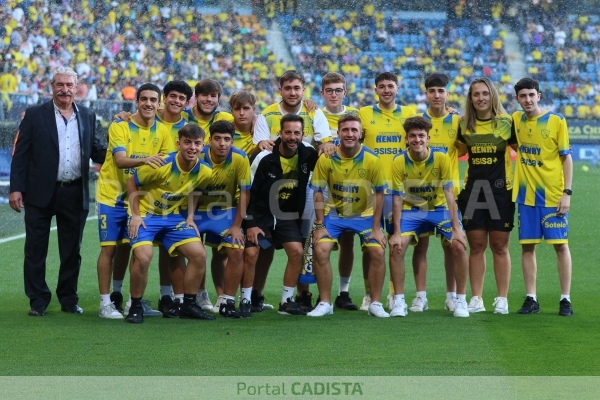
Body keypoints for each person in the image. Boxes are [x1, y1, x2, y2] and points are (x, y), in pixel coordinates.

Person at [9, 67, 106, 316]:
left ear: (77, 88)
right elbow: (21, 155)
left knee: (72, 250)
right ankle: (38, 301)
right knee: (35, 249)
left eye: (69, 85)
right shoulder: (33, 115)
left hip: (74, 192)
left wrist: (122, 142)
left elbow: (97, 151)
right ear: (51, 86)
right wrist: (16, 188)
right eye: (60, 85)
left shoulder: (87, 115)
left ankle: (68, 298)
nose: (65, 90)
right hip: (39, 192)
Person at [250, 70, 333, 311]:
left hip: (298, 200)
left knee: (302, 246)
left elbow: (325, 143)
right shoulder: (267, 116)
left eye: (297, 88)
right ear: (280, 89)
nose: (293, 92)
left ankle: (299, 296)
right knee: (262, 250)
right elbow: (262, 148)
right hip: (267, 204)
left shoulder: (312, 114)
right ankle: (254, 295)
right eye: (288, 88)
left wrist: (328, 146)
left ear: (303, 90)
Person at [95, 83, 173, 319]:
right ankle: (105, 303)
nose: (149, 103)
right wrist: (148, 160)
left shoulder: (163, 131)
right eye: (144, 99)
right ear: (136, 102)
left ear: (159, 104)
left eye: (153, 100)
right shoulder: (120, 124)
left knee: (135, 249)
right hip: (112, 195)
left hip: (139, 200)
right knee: (109, 249)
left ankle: (132, 302)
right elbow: (119, 160)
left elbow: (166, 164)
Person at [125, 124, 215, 323]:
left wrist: (190, 217)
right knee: (144, 257)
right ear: (178, 143)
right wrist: (136, 215)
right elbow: (132, 181)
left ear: (203, 146)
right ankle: (135, 306)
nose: (192, 147)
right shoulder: (161, 164)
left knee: (199, 254)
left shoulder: (205, 170)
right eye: (187, 143)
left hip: (173, 218)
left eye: (197, 143)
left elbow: (196, 190)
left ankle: (189, 305)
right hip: (147, 216)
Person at [388, 116, 470, 318]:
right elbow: (397, 199)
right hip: (411, 210)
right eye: (413, 136)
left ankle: (460, 299)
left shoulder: (441, 158)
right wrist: (396, 232)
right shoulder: (399, 161)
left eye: (421, 136)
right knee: (397, 248)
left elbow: (450, 193)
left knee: (458, 245)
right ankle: (399, 301)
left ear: (428, 138)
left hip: (439, 208)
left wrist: (456, 227)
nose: (417, 140)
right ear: (406, 139)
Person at [309, 114, 388, 317]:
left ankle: (375, 303)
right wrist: (319, 225)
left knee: (377, 251)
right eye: (345, 130)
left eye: (354, 130)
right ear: (338, 133)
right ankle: (325, 302)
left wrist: (377, 229)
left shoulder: (371, 158)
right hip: (334, 215)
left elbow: (380, 193)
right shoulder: (327, 158)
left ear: (361, 133)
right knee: (320, 249)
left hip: (365, 216)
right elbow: (317, 191)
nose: (350, 134)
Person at [244, 114, 318, 316]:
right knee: (256, 252)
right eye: (288, 132)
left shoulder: (308, 154)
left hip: (286, 215)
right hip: (260, 215)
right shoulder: (263, 157)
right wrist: (249, 223)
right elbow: (247, 193)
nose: (292, 137)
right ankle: (250, 299)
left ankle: (287, 300)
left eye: (297, 133)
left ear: (303, 134)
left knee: (297, 251)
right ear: (280, 134)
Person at [512, 77, 573, 316]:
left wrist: (567, 192)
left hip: (553, 197)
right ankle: (531, 298)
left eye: (531, 95)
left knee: (560, 246)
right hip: (526, 198)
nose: (527, 100)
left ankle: (565, 299)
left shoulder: (556, 121)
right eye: (522, 96)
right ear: (517, 99)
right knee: (527, 247)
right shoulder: (515, 120)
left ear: (539, 96)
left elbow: (566, 158)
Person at [456, 77, 516, 314]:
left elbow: (524, 151)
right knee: (477, 245)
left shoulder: (507, 123)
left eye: (484, 93)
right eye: (476, 94)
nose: (481, 98)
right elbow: (454, 150)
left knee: (500, 246)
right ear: (470, 98)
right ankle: (477, 298)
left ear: (492, 95)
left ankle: (502, 298)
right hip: (473, 192)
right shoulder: (462, 125)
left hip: (501, 191)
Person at [358, 71, 416, 310]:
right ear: (375, 90)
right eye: (381, 86)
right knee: (369, 245)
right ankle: (369, 293)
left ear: (398, 89)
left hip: (398, 191)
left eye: (390, 86)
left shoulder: (409, 114)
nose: (386, 90)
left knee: (396, 245)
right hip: (369, 192)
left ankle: (394, 294)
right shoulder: (364, 114)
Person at [410, 72, 464, 312]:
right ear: (426, 94)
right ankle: (420, 296)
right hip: (418, 197)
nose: (436, 95)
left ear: (447, 94)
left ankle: (451, 296)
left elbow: (464, 149)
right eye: (432, 91)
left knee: (451, 246)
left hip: (448, 197)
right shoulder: (418, 122)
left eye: (441, 91)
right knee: (419, 247)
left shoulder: (457, 121)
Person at [189, 120, 251, 318]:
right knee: (193, 252)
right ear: (209, 140)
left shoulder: (240, 158)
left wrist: (236, 226)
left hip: (226, 211)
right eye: (217, 139)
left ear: (232, 141)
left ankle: (226, 301)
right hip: (197, 211)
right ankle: (195, 295)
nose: (222, 144)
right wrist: (189, 217)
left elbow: (245, 193)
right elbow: (191, 190)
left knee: (235, 250)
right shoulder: (199, 156)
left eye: (226, 139)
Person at [318, 72, 361, 310]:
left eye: (338, 90)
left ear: (345, 92)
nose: (334, 94)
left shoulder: (355, 115)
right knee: (315, 239)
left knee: (348, 239)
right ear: (322, 93)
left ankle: (343, 292)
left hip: (351, 185)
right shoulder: (314, 114)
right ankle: (313, 293)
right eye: (329, 90)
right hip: (321, 185)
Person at [182, 78, 234, 146]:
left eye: (213, 96)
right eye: (204, 95)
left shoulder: (225, 118)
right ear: (196, 98)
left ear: (218, 100)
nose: (209, 99)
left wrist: (253, 119)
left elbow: (246, 120)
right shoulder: (181, 116)